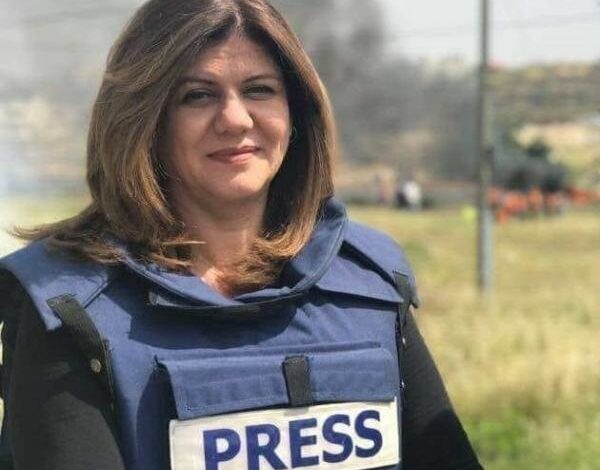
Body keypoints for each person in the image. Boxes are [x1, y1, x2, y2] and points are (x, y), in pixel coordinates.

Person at [0, 1, 482, 469]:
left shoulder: (371, 285)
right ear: (145, 121)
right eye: (198, 95)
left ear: (295, 114)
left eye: (259, 90)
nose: (235, 118)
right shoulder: (69, 308)